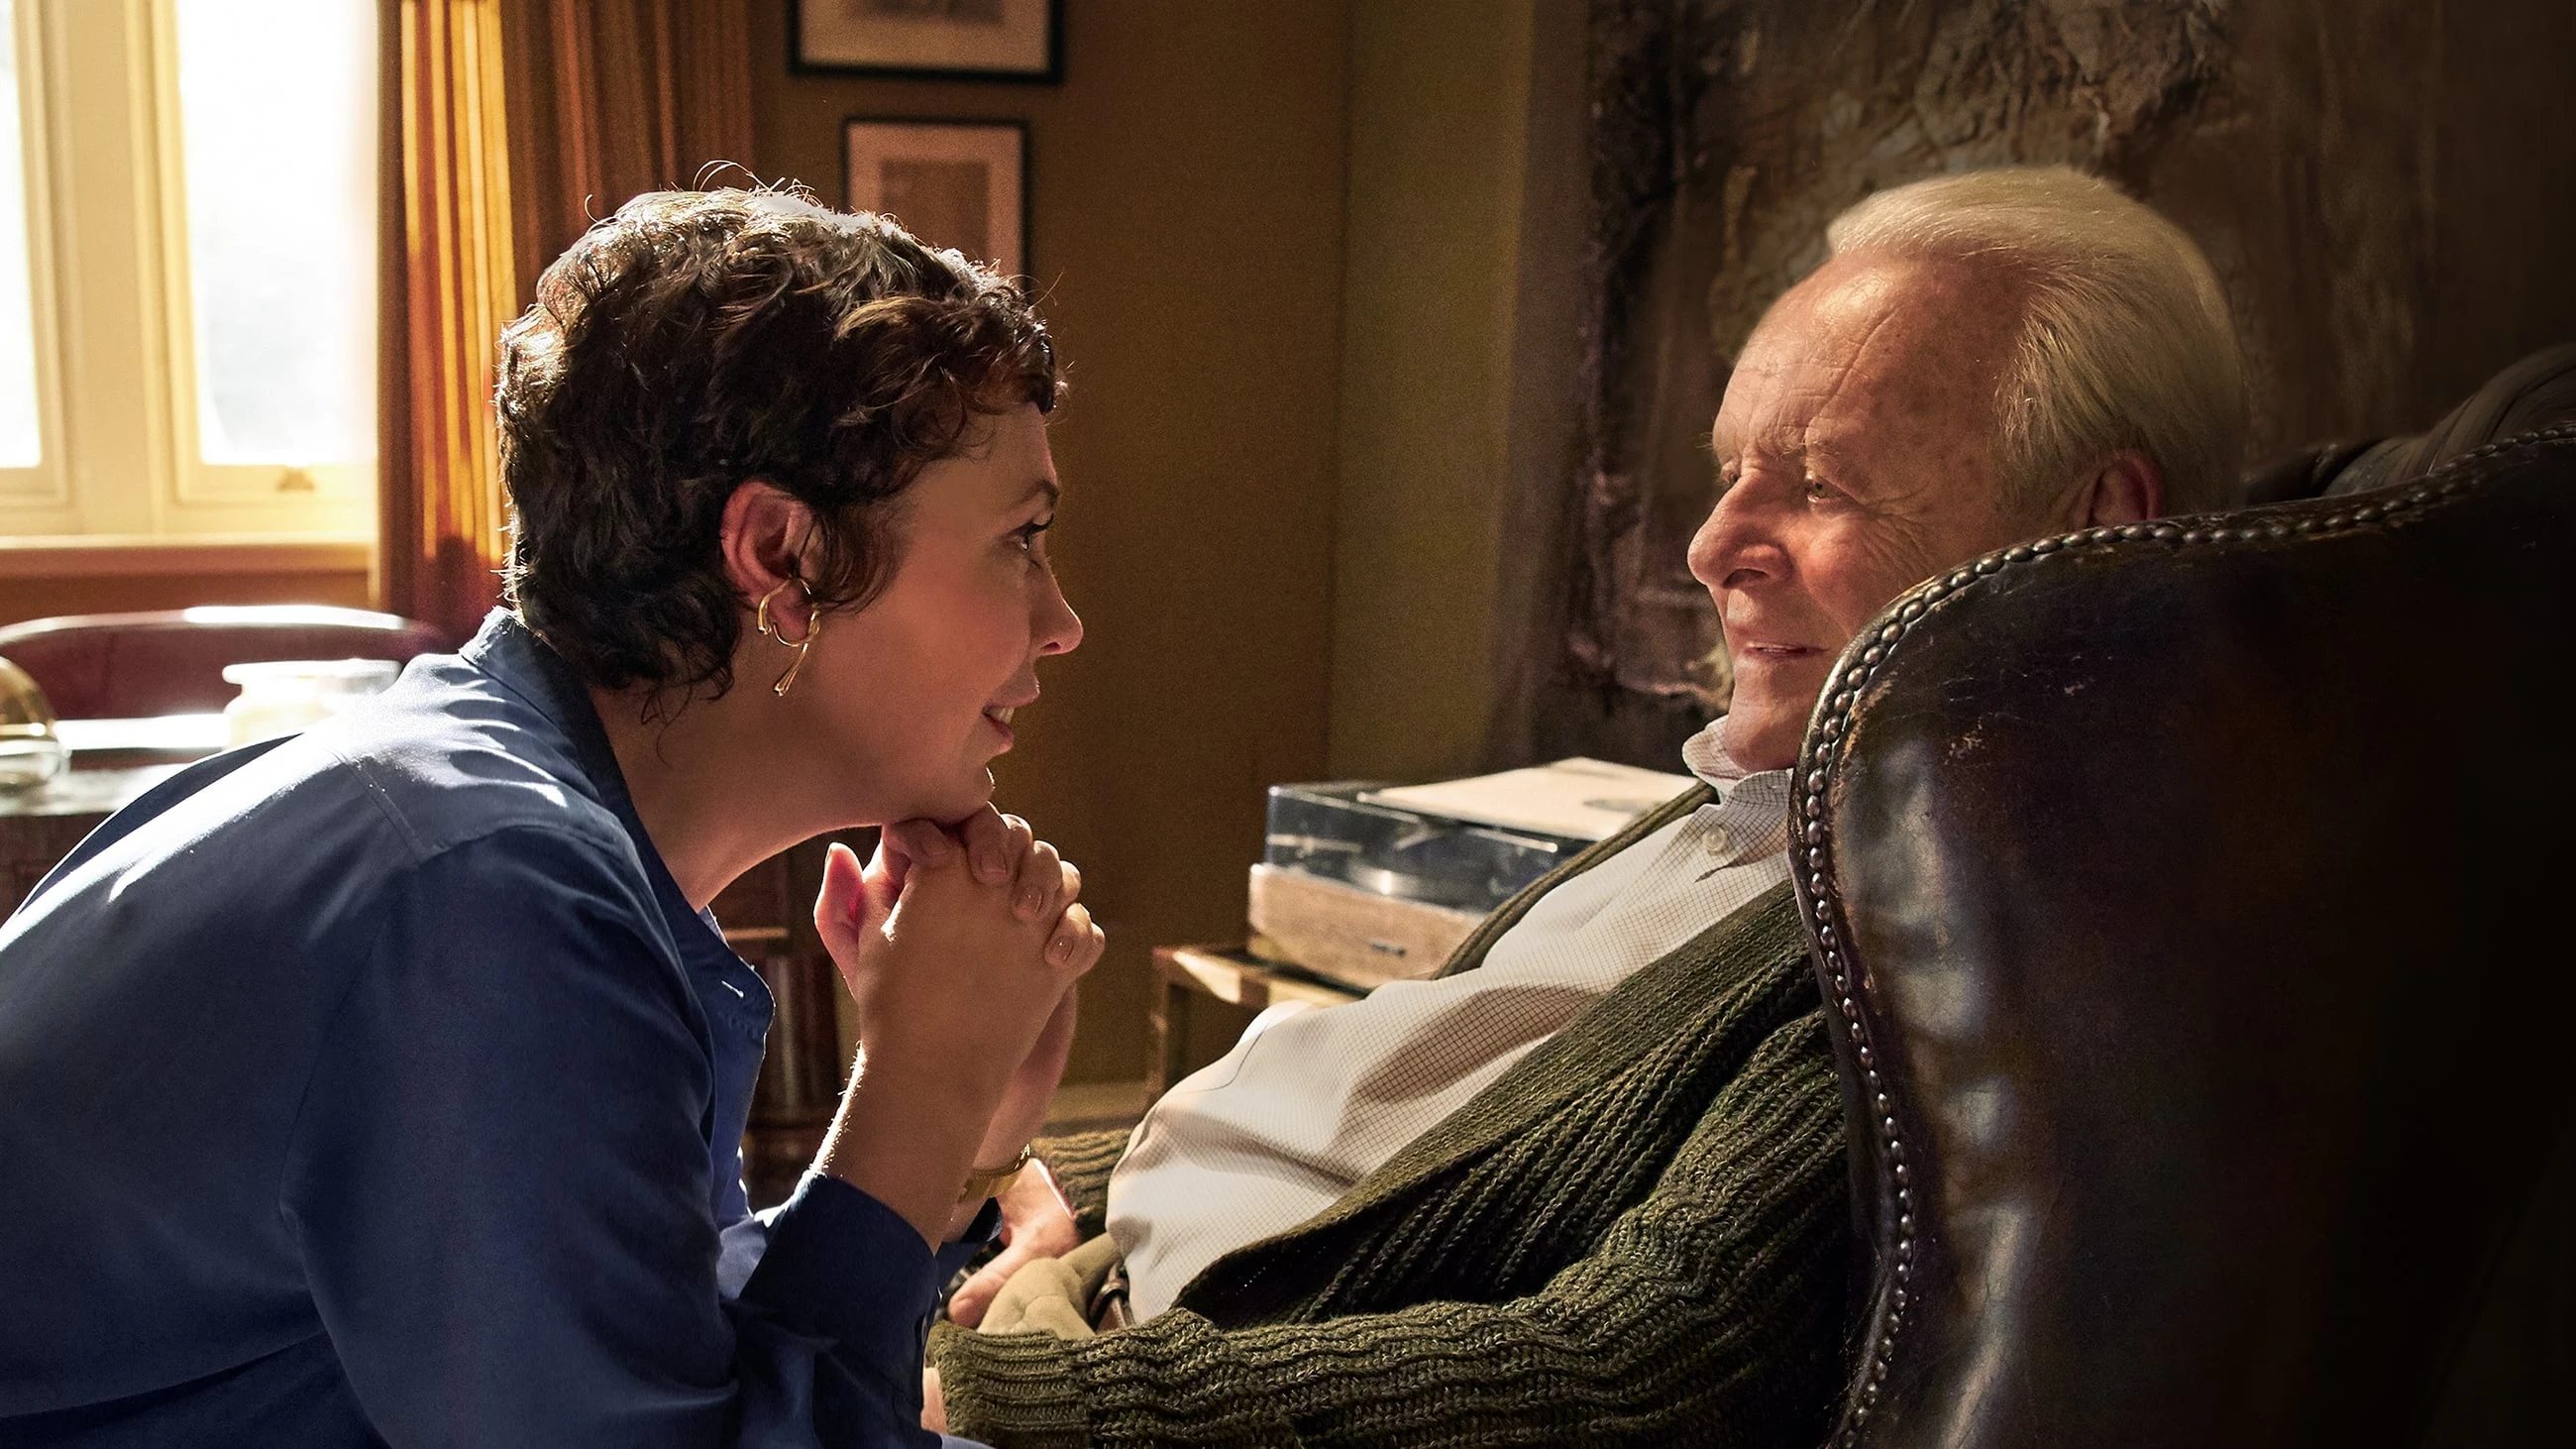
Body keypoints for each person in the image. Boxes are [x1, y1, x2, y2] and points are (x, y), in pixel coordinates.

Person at [927, 166, 2249, 1446]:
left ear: (2089, 531)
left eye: (1820, 484)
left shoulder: (1932, 932)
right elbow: (1425, 1096)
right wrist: (1058, 1181)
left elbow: (1627, 1379)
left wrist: (991, 1400)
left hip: (1131, 1383)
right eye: (1730, 472)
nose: (1711, 547)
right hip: (1088, 1277)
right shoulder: (1762, 798)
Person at [0, 188, 1100, 1447]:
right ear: (785, 556)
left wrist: (964, 1136)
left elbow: (651, 1345)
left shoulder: (520, 831)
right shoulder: (490, 898)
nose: (1061, 622)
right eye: (1021, 540)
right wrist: (919, 1090)